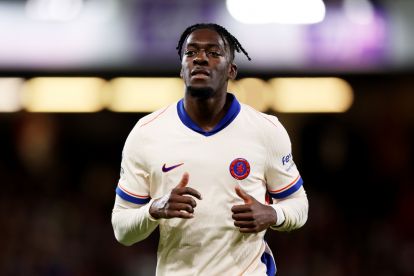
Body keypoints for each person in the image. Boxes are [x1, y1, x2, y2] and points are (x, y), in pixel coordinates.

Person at [111, 23, 308, 276]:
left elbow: (298, 203)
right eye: (191, 53)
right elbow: (122, 230)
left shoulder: (266, 130)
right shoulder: (147, 133)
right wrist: (153, 209)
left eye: (214, 53)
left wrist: (273, 213)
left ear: (231, 70)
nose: (200, 59)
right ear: (182, 70)